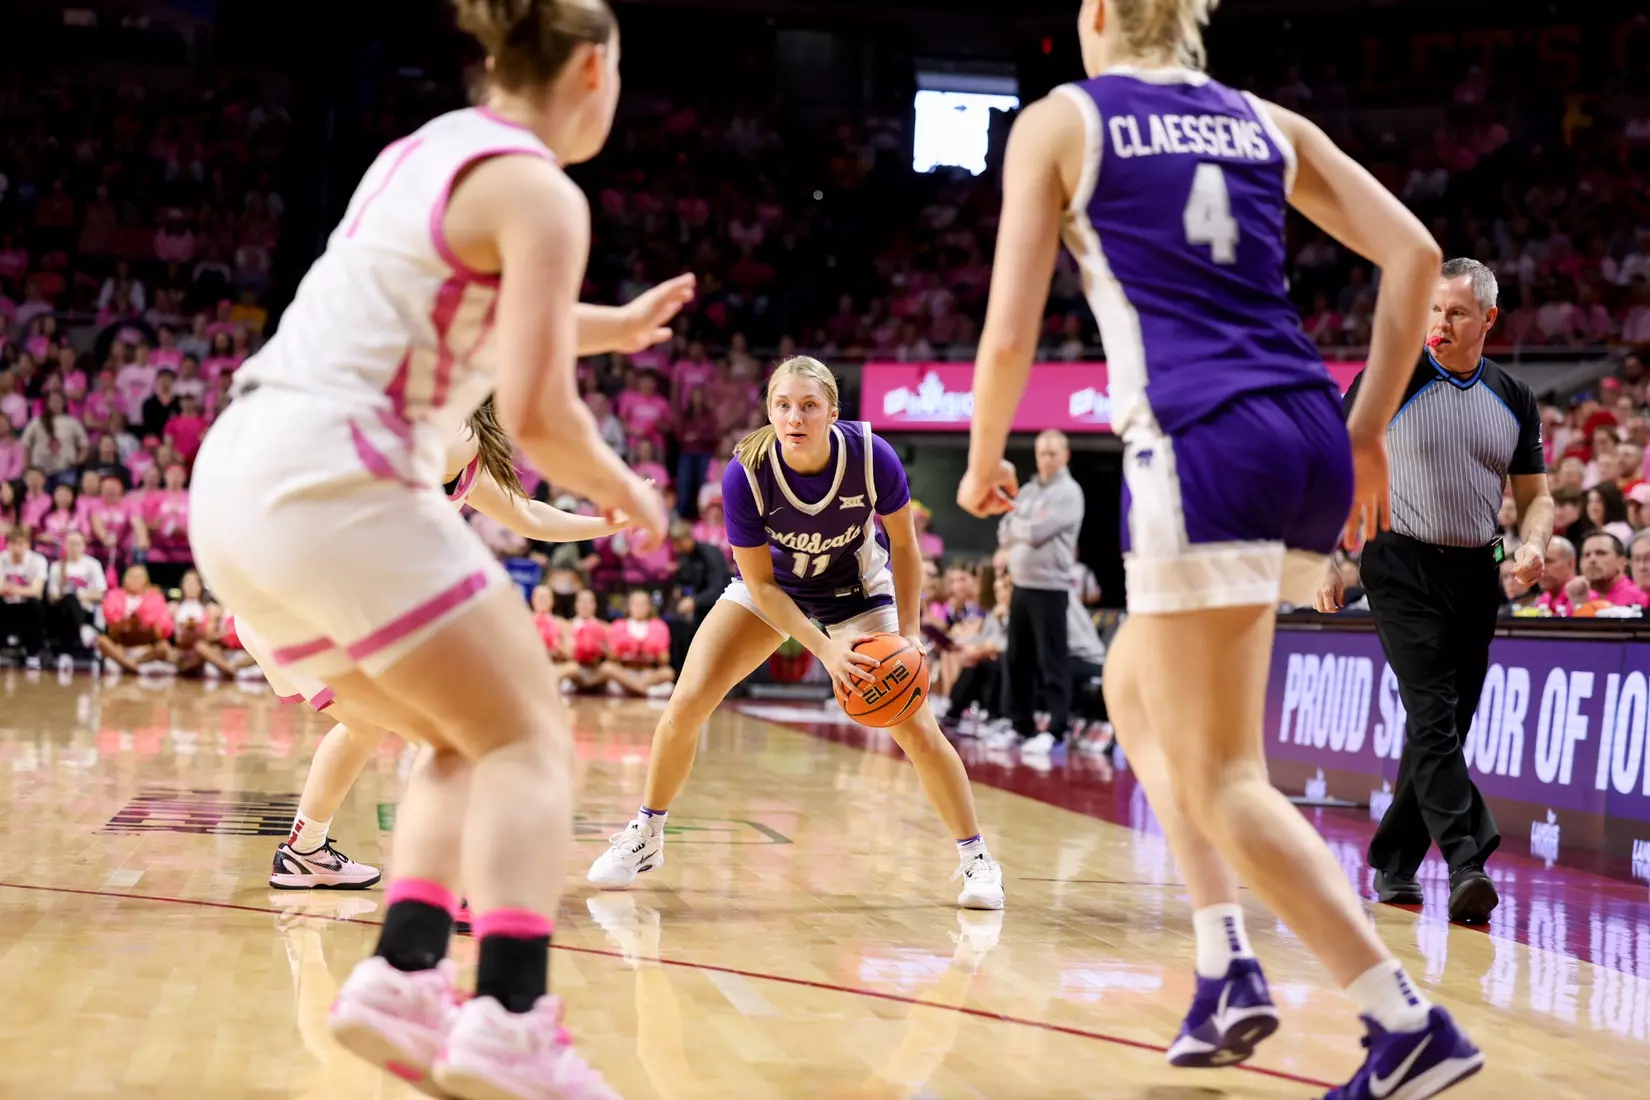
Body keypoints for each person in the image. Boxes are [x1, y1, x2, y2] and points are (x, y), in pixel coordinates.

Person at [958, 2, 1481, 1097]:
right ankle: (1223, 961)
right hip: (1307, 432)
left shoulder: (1064, 119)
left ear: (1097, 18)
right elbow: (1416, 254)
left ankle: (1403, 1019)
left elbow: (1009, 330)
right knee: (1138, 690)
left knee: (1224, 771)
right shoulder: (1262, 120)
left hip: (1204, 441)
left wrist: (979, 461)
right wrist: (1371, 422)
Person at [185, 1, 668, 1093]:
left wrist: (616, 325)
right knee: (536, 730)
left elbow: (491, 303)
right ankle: (508, 1013)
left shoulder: (421, 152)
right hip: (339, 475)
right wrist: (631, 491)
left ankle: (403, 975)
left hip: (236, 483)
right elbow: (540, 417)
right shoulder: (542, 186)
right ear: (594, 69)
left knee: (459, 732)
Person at [588, 356, 1006, 911]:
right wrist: (825, 650)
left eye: (809, 405)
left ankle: (977, 858)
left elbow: (905, 547)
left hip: (858, 592)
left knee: (917, 731)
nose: (795, 417)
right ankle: (646, 833)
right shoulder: (746, 472)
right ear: (769, 411)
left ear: (833, 411)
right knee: (685, 702)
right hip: (776, 594)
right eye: (783, 405)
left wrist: (907, 635)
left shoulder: (870, 456)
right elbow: (759, 586)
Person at [249, 396, 642, 894]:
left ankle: (305, 854)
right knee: (453, 742)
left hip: (313, 613)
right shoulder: (411, 434)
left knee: (366, 727)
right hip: (295, 609)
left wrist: (608, 524)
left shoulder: (459, 449)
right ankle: (446, 891)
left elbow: (532, 518)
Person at [1320, 259, 1552, 927]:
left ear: (1488, 319)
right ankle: (1469, 860)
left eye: (1454, 313)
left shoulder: (1513, 397)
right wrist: (1328, 559)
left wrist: (1530, 545)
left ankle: (1395, 862)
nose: (1439, 325)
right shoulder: (1390, 380)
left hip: (1479, 573)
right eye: (1432, 311)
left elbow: (1536, 500)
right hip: (1398, 566)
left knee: (1444, 729)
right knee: (1431, 712)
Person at [997, 428, 1084, 755]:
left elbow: (1036, 531)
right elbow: (1005, 531)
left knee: (1052, 661)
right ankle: (1019, 725)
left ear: (1065, 455)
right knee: (1017, 659)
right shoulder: (1030, 490)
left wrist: (1021, 524)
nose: (1046, 458)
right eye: (1041, 452)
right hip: (1021, 584)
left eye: (1052, 452)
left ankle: (1057, 729)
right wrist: (1021, 525)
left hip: (1050, 588)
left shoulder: (1069, 492)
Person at [46, 529, 106, 665]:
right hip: (62, 607)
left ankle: (66, 652)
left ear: (84, 545)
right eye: (71, 544)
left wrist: (81, 595)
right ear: (65, 545)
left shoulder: (93, 564)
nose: (74, 547)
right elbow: (52, 594)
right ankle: (82, 629)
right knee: (68, 599)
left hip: (86, 606)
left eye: (78, 543)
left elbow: (100, 593)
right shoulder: (57, 566)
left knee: (72, 600)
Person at [0, 527, 48, 668]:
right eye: (13, 544)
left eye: (20, 544)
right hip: (7, 604)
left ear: (27, 545)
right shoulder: (1, 559)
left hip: (27, 605)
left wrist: (14, 589)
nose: (16, 548)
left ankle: (33, 653)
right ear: (8, 545)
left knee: (36, 605)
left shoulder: (38, 561)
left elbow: (37, 590)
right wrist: (18, 590)